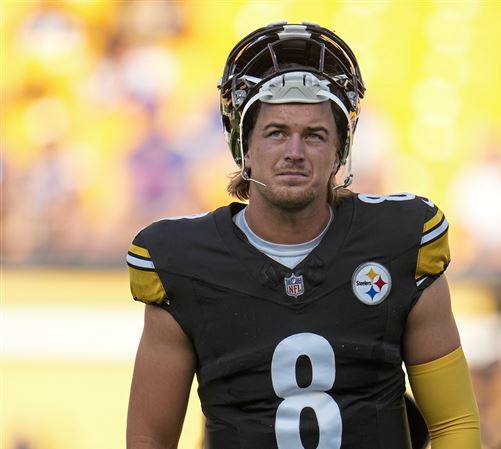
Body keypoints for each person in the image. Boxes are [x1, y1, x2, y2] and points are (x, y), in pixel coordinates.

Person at [126, 21, 481, 449]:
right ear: (246, 147)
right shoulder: (184, 264)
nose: (294, 151)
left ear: (339, 150)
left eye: (314, 135)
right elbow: (149, 440)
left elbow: (455, 425)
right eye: (276, 133)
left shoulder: (400, 243)